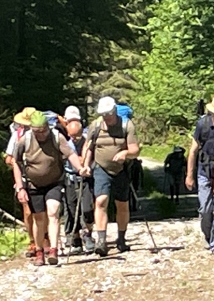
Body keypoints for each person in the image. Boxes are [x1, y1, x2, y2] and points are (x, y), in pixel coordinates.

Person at [11, 110, 89, 266]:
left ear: (47, 127)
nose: (41, 134)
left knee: (53, 212)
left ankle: (53, 250)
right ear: (32, 129)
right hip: (33, 184)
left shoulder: (56, 137)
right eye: (37, 132)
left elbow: (70, 154)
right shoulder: (24, 141)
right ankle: (39, 251)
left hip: (54, 182)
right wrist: (20, 187)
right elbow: (15, 162)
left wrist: (80, 168)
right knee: (39, 219)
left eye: (43, 131)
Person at [83, 96, 140, 256]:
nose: (106, 117)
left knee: (122, 204)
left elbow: (135, 150)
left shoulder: (126, 125)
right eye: (104, 114)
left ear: (114, 111)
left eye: (109, 114)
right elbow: (89, 148)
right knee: (100, 201)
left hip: (121, 169)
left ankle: (121, 239)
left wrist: (125, 153)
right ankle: (101, 241)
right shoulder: (95, 126)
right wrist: (86, 165)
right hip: (101, 168)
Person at [185, 95, 214, 255]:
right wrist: (189, 175)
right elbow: (193, 151)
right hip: (204, 170)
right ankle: (208, 237)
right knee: (205, 209)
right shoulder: (202, 124)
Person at [4, 106, 43, 257]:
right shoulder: (17, 136)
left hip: (40, 176)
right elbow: (8, 158)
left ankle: (42, 239)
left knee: (41, 211)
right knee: (28, 211)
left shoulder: (42, 134)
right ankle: (33, 240)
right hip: (23, 178)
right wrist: (17, 163)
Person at [62, 105, 95, 254]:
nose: (75, 139)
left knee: (87, 209)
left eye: (77, 135)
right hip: (70, 179)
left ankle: (88, 234)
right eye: (72, 136)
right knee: (71, 209)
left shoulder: (87, 141)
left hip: (86, 178)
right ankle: (76, 239)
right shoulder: (64, 143)